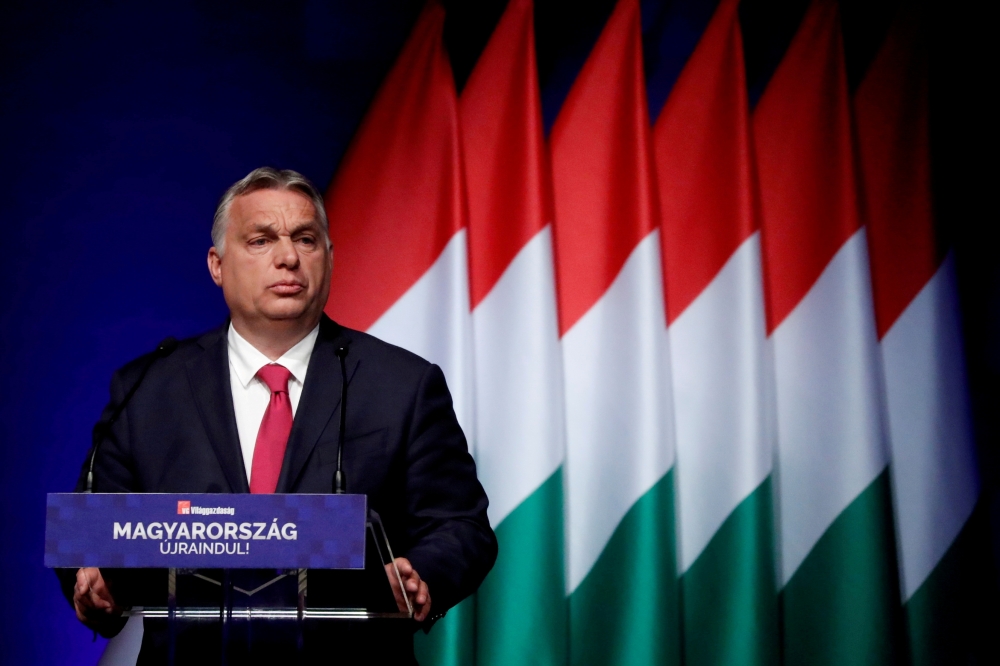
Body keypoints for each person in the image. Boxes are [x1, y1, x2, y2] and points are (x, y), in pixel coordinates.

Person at [61, 167, 496, 662]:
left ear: (328, 258)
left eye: (306, 240)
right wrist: (93, 583)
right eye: (261, 240)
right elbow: (89, 530)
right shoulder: (148, 387)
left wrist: (422, 574)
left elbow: (461, 526)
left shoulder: (403, 385)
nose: (288, 257)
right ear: (217, 265)